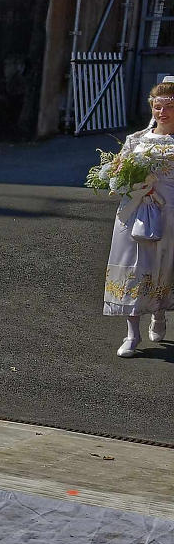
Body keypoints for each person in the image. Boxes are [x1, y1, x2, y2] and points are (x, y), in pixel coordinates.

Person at [104, 79, 174, 356]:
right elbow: (117, 174)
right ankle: (132, 335)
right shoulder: (136, 140)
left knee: (163, 266)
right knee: (132, 268)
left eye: (169, 107)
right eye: (158, 107)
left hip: (169, 210)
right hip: (134, 212)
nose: (162, 112)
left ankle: (159, 313)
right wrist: (125, 182)